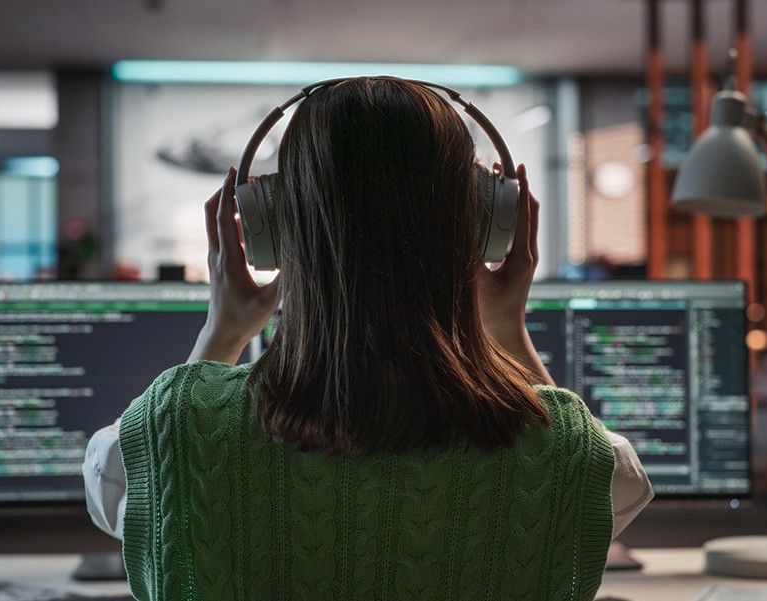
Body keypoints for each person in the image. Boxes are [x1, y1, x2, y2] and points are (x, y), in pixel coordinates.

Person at [84, 77, 652, 600]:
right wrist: (507, 327)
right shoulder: (566, 452)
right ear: (487, 226)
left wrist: (223, 330)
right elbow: (606, 486)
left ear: (271, 228)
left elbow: (123, 486)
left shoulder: (171, 431)